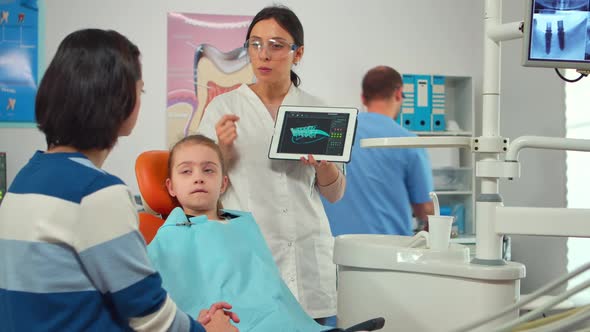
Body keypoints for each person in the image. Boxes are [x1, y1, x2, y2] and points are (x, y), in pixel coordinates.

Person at [0, 29, 238, 332]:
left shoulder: (25, 179)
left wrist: (190, 323)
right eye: (140, 90)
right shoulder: (96, 192)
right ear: (120, 99)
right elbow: (151, 317)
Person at [197, 5, 344, 322]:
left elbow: (335, 193)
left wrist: (323, 165)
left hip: (308, 258)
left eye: (276, 45)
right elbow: (200, 187)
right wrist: (220, 150)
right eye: (255, 43)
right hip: (250, 257)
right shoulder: (223, 108)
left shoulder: (317, 110)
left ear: (298, 52)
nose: (263, 54)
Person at [147, 134, 330, 331]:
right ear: (171, 187)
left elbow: (272, 290)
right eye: (186, 171)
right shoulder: (170, 237)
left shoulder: (244, 225)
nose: (198, 178)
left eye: (208, 170)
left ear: (223, 183)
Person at [323, 66, 434, 236]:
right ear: (399, 94)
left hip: (337, 249)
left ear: (363, 98)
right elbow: (424, 208)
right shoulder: (408, 141)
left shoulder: (335, 131)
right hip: (387, 252)